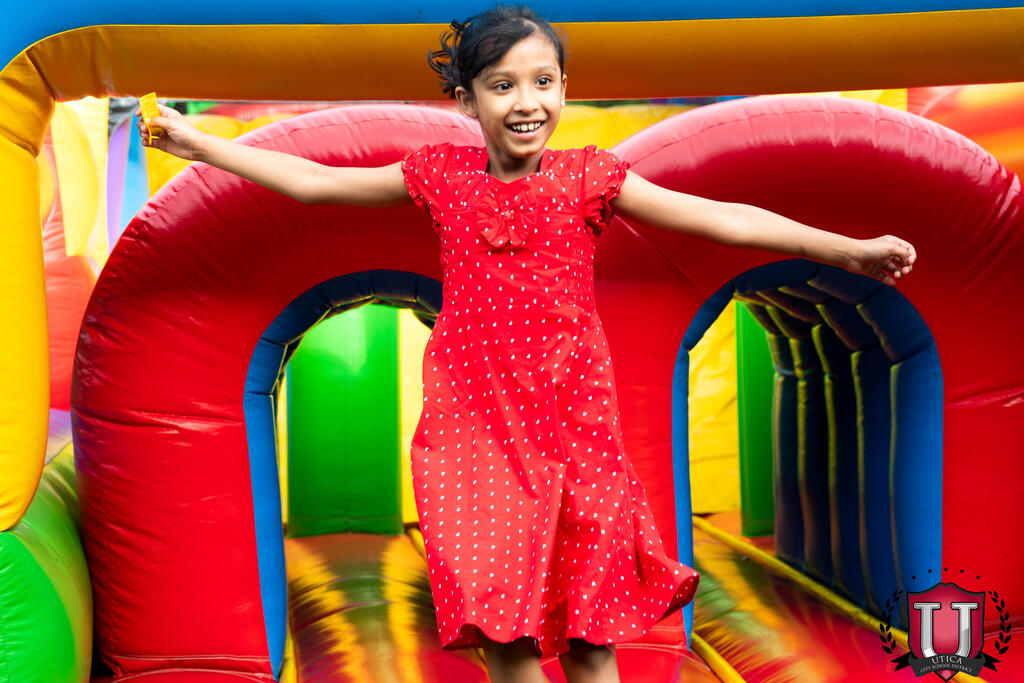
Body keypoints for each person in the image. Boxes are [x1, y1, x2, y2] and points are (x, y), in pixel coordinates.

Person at [137, 6, 916, 682]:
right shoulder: (439, 175)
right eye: (502, 85)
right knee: (501, 631)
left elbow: (725, 219)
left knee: (589, 634)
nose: (526, 102)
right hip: (472, 435)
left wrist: (847, 251)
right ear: (467, 98)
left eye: (543, 82)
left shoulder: (592, 178)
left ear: (564, 90)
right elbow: (314, 183)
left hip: (574, 433)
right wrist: (197, 142)